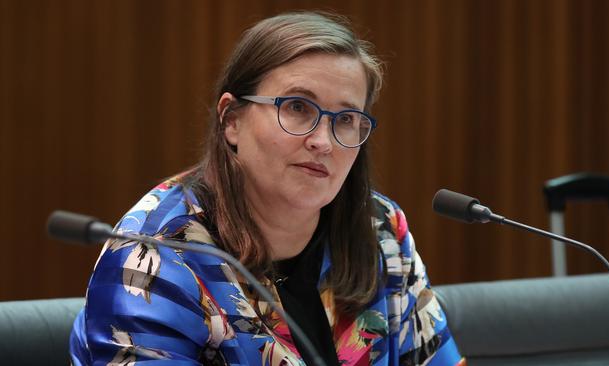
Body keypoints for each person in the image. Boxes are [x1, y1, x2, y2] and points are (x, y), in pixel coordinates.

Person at [69, 11, 465, 366]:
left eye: (345, 119)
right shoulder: (154, 256)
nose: (323, 141)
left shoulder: (379, 229)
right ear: (231, 120)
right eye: (297, 107)